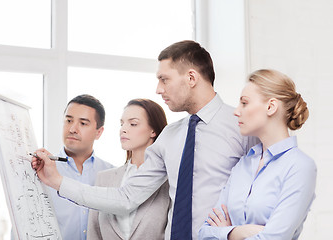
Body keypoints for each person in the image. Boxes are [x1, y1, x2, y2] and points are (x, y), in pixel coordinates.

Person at [31, 40, 257, 240]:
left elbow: (267, 197)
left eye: (164, 79)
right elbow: (126, 197)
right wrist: (58, 181)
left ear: (191, 78)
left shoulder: (243, 127)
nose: (158, 89)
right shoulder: (169, 137)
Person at [198, 69, 317, 240]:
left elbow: (273, 238)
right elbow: (204, 233)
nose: (236, 111)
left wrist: (226, 232)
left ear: (270, 107)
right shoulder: (243, 164)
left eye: (244, 103)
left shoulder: (300, 167)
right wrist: (239, 232)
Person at [87, 98, 170, 239]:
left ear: (153, 131)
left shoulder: (169, 181)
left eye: (133, 124)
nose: (123, 129)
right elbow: (94, 233)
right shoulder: (104, 178)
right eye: (122, 123)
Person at [37, 94, 114, 240]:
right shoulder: (41, 170)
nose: (72, 129)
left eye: (83, 123)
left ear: (99, 132)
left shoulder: (112, 174)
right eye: (68, 120)